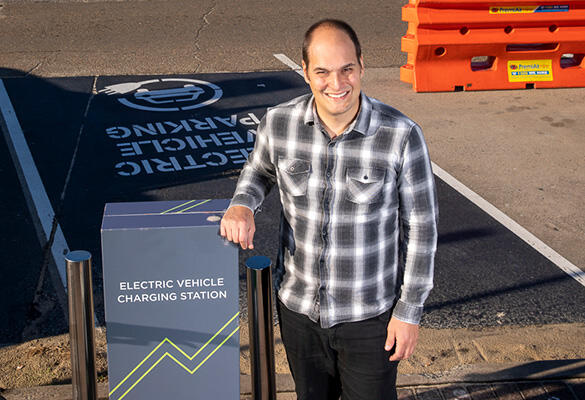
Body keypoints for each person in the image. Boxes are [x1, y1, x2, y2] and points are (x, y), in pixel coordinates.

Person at [221, 19, 438, 400]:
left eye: (346, 70)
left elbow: (421, 229)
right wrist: (242, 203)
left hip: (369, 317)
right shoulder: (279, 123)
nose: (336, 84)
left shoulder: (401, 135)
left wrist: (409, 311)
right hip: (298, 310)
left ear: (361, 67)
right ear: (305, 72)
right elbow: (259, 170)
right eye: (322, 71)